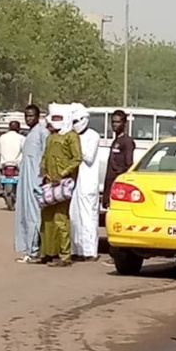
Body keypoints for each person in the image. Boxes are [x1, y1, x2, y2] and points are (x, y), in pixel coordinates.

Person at [39, 104, 81, 267]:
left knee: (60, 219)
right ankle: (47, 252)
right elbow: (45, 156)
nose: (54, 121)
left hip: (63, 184)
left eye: (58, 118)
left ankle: (64, 256)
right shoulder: (50, 137)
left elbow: (77, 159)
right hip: (49, 183)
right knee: (46, 219)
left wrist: (62, 174)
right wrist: (43, 170)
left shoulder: (71, 136)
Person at [15, 105, 49, 263]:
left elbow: (45, 156)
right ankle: (29, 248)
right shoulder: (29, 134)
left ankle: (34, 249)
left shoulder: (42, 132)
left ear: (37, 116)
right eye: (26, 116)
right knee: (25, 213)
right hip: (25, 180)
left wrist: (41, 178)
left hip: (35, 180)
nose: (28, 119)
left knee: (34, 215)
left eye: (31, 116)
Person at [69, 103, 101, 262]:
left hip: (88, 183)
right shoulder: (73, 136)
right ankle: (77, 249)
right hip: (75, 183)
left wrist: (75, 147)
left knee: (88, 217)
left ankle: (90, 251)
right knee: (74, 217)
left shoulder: (93, 136)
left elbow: (88, 157)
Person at [102, 109, 136, 210]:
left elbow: (128, 164)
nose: (114, 125)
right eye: (113, 122)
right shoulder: (116, 141)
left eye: (118, 122)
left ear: (124, 123)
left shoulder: (127, 142)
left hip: (118, 187)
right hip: (110, 185)